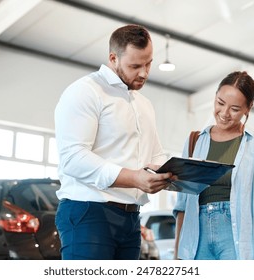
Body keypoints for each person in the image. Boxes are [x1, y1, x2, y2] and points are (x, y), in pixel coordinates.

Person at [54, 24, 172, 260]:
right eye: (135, 66)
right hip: (89, 212)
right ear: (113, 58)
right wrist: (135, 178)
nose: (144, 73)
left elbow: (155, 155)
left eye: (148, 63)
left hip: (131, 218)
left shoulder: (144, 105)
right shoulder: (85, 92)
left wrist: (170, 172)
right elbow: (73, 158)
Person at [173, 71, 254, 260]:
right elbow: (182, 205)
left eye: (234, 109)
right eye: (220, 103)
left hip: (237, 237)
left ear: (248, 108)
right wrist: (177, 255)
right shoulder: (194, 142)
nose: (224, 114)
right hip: (196, 238)